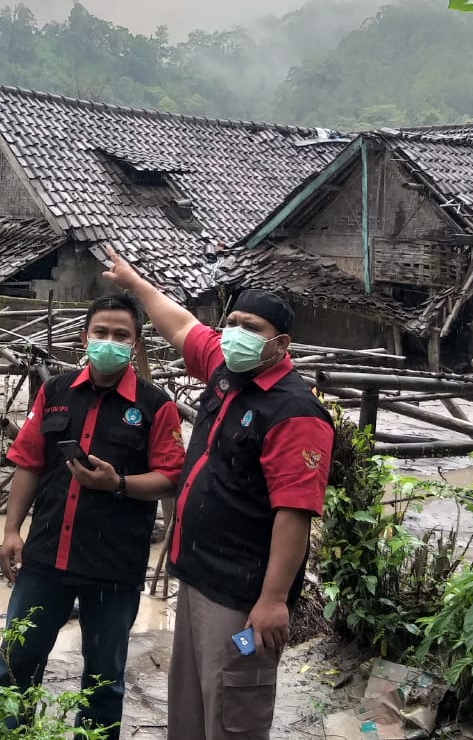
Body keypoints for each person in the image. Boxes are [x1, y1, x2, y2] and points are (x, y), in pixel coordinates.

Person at [103, 246, 334, 740]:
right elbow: (182, 326)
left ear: (281, 343)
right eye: (232, 323)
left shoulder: (295, 412)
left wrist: (273, 599)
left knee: (233, 712)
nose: (236, 334)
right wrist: (134, 284)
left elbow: (294, 512)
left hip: (242, 595)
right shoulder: (229, 372)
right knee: (190, 708)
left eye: (252, 328)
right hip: (197, 577)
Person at [0, 293, 186, 739]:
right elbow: (28, 462)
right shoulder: (55, 392)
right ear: (84, 337)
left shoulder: (156, 406)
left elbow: (171, 478)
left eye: (121, 335)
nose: (109, 342)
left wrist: (118, 483)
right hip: (45, 557)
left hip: (113, 567)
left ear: (136, 344)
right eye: (100, 332)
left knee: (103, 683)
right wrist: (11, 530)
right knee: (16, 667)